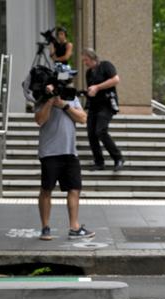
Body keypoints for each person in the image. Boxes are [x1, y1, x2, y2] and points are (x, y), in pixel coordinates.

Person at [34, 84, 95, 240]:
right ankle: (45, 228)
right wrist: (50, 101)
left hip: (70, 151)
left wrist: (64, 105)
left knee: (75, 189)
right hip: (50, 152)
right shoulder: (42, 98)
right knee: (46, 190)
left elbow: (83, 118)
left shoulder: (71, 98)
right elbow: (40, 120)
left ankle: (74, 227)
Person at [82, 48, 124, 171]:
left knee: (100, 131)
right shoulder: (89, 72)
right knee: (91, 134)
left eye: (86, 60)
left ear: (93, 58)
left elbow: (116, 80)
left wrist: (97, 87)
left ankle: (118, 158)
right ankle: (99, 162)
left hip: (107, 105)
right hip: (94, 106)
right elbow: (92, 89)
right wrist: (88, 92)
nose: (85, 63)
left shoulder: (106, 65)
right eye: (84, 61)